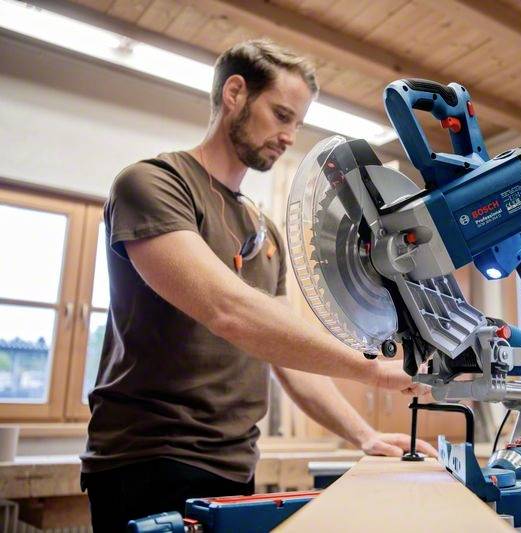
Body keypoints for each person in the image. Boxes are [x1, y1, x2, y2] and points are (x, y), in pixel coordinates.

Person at [80, 39, 437, 532]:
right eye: (281, 114)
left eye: (297, 122)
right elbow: (229, 311)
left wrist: (364, 434)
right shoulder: (153, 185)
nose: (290, 135)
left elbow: (282, 347)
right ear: (234, 93)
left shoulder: (263, 230)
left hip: (232, 465)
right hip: (146, 461)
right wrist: (373, 371)